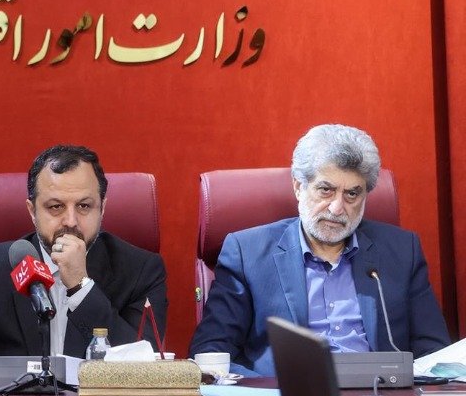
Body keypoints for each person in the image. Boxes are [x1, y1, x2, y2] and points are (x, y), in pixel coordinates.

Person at [190, 124, 450, 376]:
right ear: (298, 187)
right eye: (326, 190)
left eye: (352, 194)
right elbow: (211, 351)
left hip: (381, 395)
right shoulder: (247, 253)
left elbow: (435, 354)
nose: (337, 208)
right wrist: (265, 392)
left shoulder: (402, 251)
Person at [0, 144, 168, 388]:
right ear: (32, 211)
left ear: (102, 209)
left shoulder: (141, 270)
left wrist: (81, 286)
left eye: (84, 206)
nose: (71, 221)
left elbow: (143, 365)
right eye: (56, 207)